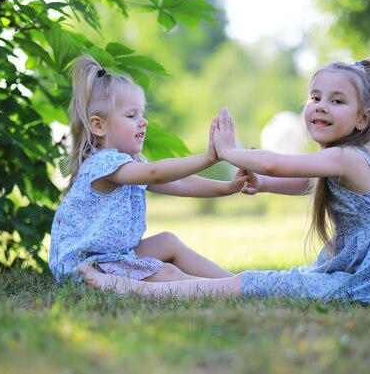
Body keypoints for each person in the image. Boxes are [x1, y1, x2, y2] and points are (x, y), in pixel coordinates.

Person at [80, 60, 370, 303]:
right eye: (315, 98)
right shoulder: (352, 158)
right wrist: (262, 184)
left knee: (262, 284)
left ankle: (124, 286)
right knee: (269, 283)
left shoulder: (345, 157)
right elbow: (304, 183)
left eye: (337, 101)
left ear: (362, 119)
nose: (321, 106)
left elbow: (276, 163)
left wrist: (230, 152)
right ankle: (220, 285)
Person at [49, 54, 249, 283]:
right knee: (167, 273)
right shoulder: (102, 165)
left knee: (167, 241)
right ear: (99, 126)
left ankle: (242, 283)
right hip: (87, 269)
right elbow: (157, 172)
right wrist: (208, 158)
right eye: (131, 115)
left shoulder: (129, 165)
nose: (143, 121)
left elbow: (182, 182)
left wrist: (229, 187)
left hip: (111, 258)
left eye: (142, 114)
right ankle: (230, 287)